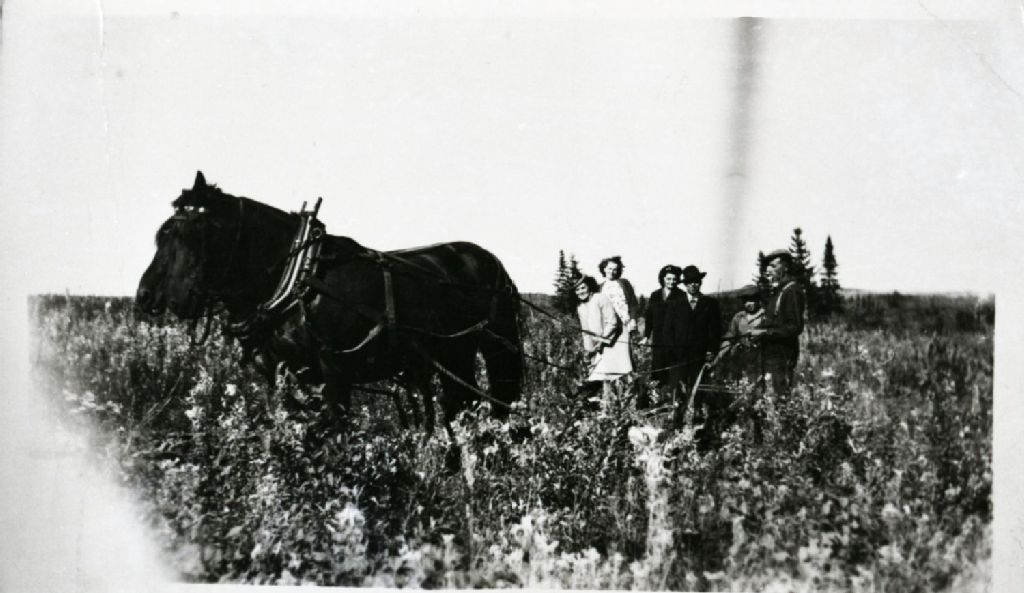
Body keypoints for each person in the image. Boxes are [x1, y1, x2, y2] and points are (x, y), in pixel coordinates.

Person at [749, 250, 805, 396]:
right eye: (768, 266)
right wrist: (758, 330)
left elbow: (794, 327)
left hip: (782, 356)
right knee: (769, 397)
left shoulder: (791, 290)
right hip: (772, 354)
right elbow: (775, 320)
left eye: (773, 266)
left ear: (785, 267)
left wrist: (764, 332)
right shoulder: (779, 291)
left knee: (780, 397)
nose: (768, 270)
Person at [574, 275, 629, 398]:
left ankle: (615, 402)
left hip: (613, 342)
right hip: (598, 346)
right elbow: (585, 332)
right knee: (597, 376)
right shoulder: (580, 307)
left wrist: (601, 342)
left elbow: (612, 322)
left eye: (583, 288)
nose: (580, 292)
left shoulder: (600, 298)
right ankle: (602, 403)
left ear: (589, 287)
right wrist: (589, 351)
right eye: (577, 290)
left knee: (613, 377)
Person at [642, 265, 687, 404]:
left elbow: (684, 321)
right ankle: (657, 399)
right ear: (662, 279)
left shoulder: (681, 295)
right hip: (658, 340)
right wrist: (646, 336)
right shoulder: (655, 295)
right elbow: (649, 317)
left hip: (675, 341)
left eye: (674, 279)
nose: (671, 282)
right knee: (658, 367)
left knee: (673, 370)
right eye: (668, 279)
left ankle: (673, 399)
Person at [678, 265, 722, 394]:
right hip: (680, 354)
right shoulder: (675, 304)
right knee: (679, 388)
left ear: (700, 283)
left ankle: (697, 406)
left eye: (696, 281)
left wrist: (711, 350)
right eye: (689, 282)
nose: (693, 285)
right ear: (685, 284)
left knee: (698, 387)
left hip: (700, 354)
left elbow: (715, 330)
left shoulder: (710, 304)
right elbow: (669, 329)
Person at [714, 284, 764, 383]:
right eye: (745, 301)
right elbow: (730, 336)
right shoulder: (739, 317)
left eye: (751, 300)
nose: (748, 304)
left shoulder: (765, 315)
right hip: (742, 359)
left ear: (758, 299)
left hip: (761, 359)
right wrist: (719, 356)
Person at [597, 256, 638, 374]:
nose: (612, 272)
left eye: (615, 269)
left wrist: (633, 319)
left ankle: (629, 380)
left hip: (624, 324)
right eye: (609, 268)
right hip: (608, 326)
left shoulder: (624, 283)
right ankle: (609, 381)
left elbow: (633, 303)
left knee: (625, 354)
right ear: (604, 269)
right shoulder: (600, 287)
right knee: (608, 354)